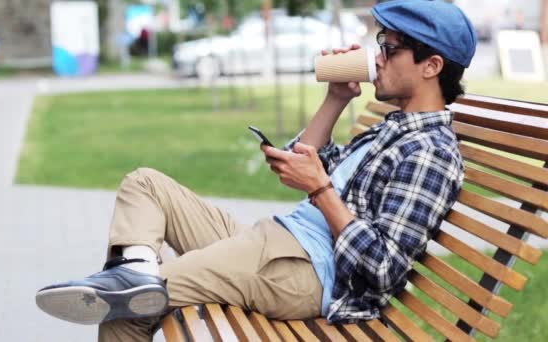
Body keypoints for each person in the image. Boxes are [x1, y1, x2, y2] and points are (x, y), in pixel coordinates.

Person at [35, 1, 477, 340]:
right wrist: (336, 99)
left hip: (303, 269)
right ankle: (133, 269)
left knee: (127, 305)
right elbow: (307, 160)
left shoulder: (430, 153)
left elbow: (382, 267)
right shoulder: (393, 128)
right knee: (145, 183)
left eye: (390, 48)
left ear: (431, 66)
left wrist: (321, 190)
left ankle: (132, 281)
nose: (376, 57)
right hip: (274, 241)